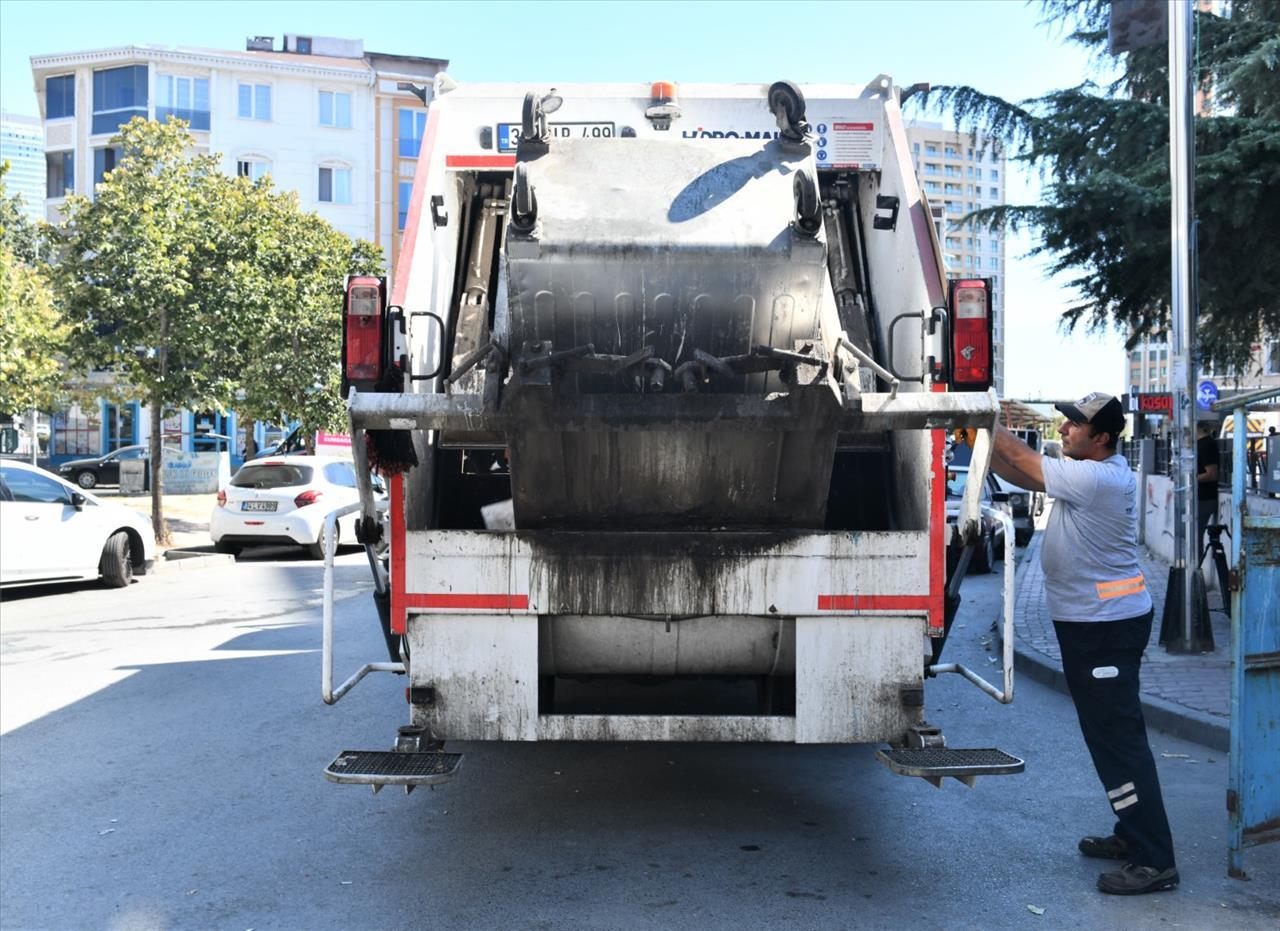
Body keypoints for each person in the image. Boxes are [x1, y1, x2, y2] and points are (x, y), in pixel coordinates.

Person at [988, 392, 1178, 895]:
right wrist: (977, 439)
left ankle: (1155, 859)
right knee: (1107, 737)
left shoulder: (1100, 479)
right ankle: (1131, 832)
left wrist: (975, 415)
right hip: (1094, 626)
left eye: (1075, 425)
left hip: (1106, 630)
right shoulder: (1086, 475)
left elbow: (1024, 460)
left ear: (1103, 439)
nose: (1064, 428)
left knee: (1119, 741)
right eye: (1066, 420)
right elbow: (1020, 474)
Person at [1195, 421, 1219, 543]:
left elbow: (1212, 474)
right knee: (1193, 536)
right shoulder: (1199, 444)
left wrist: (1192, 479)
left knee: (1195, 536)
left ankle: (1196, 562)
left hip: (1205, 498)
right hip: (1199, 497)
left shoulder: (1207, 445)